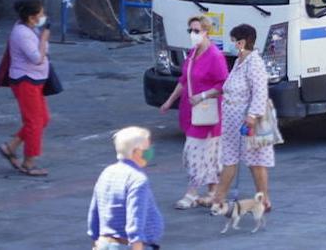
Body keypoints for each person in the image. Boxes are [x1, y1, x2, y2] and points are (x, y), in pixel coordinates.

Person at [158, 15, 227, 209]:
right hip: (191, 111)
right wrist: (169, 101)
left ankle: (192, 192)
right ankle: (213, 191)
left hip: (207, 112)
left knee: (194, 152)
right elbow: (184, 80)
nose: (193, 34)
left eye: (196, 31)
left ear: (206, 32)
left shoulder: (215, 56)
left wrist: (203, 96)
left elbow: (223, 83)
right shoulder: (193, 52)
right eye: (191, 30)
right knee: (209, 154)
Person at [212, 24, 274, 213]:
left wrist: (252, 116)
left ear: (242, 42)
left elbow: (260, 91)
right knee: (229, 158)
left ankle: (264, 198)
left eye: (233, 41)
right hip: (232, 119)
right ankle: (218, 198)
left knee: (256, 161)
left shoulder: (254, 63)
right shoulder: (240, 61)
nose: (231, 45)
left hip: (249, 119)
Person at [88, 126, 164, 250]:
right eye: (147, 148)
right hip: (128, 245)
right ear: (137, 151)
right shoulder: (137, 179)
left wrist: (96, 240)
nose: (150, 151)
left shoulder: (107, 172)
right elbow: (135, 218)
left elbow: (95, 211)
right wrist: (137, 245)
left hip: (105, 243)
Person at [0, 0, 52, 176]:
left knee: (43, 119)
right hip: (25, 82)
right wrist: (44, 39)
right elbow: (36, 57)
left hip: (36, 80)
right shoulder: (22, 33)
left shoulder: (31, 29)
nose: (43, 17)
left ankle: (10, 147)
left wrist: (42, 39)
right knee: (34, 122)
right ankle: (29, 162)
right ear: (31, 17)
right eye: (41, 14)